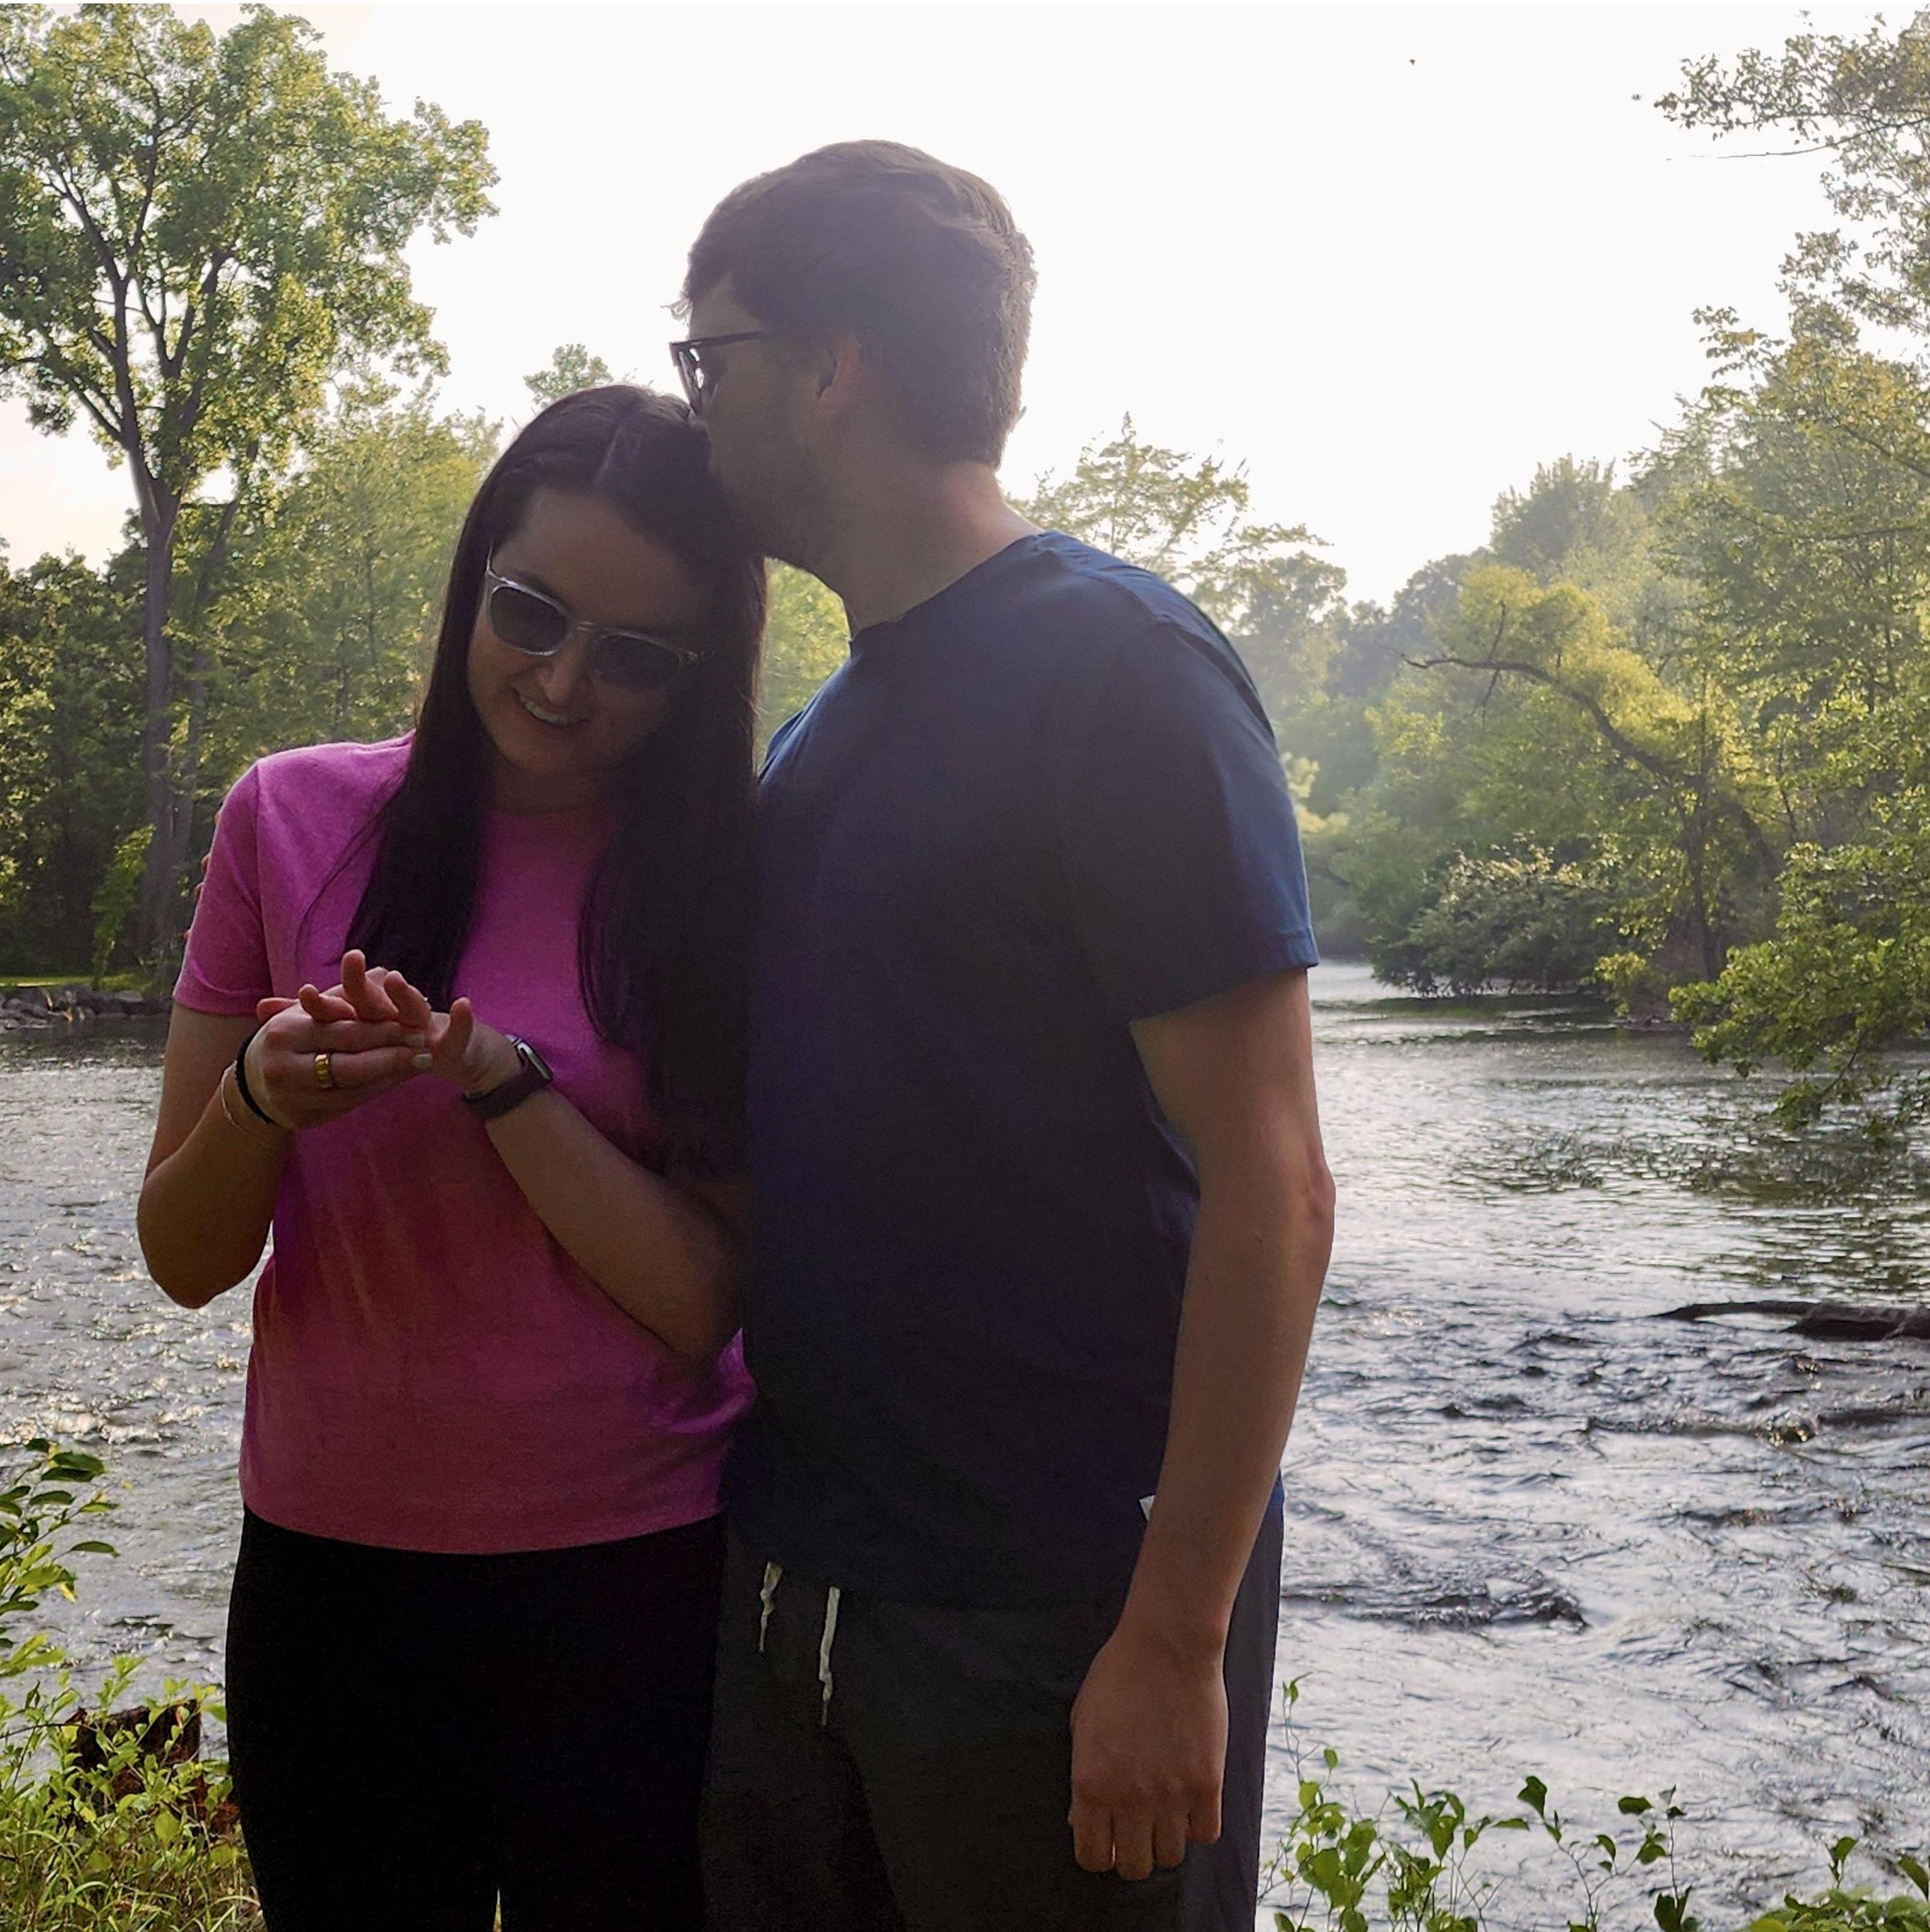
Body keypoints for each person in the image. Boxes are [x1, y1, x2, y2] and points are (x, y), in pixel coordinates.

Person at [677, 142, 1336, 1932]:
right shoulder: (826, 728)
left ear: (834, 365)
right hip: (808, 1602)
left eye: (708, 360)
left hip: (1050, 1632)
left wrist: (1171, 1634)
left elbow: (1274, 1184)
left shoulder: (1116, 671)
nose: (696, 409)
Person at [136, 388, 764, 1932]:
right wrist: (264, 1106)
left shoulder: (725, 878)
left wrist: (500, 1085)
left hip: (635, 1583)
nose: (561, 681)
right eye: (530, 610)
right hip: (333, 1579)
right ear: (473, 575)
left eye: (630, 655)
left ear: (695, 678)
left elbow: (703, 1302)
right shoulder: (286, 818)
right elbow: (182, 1256)